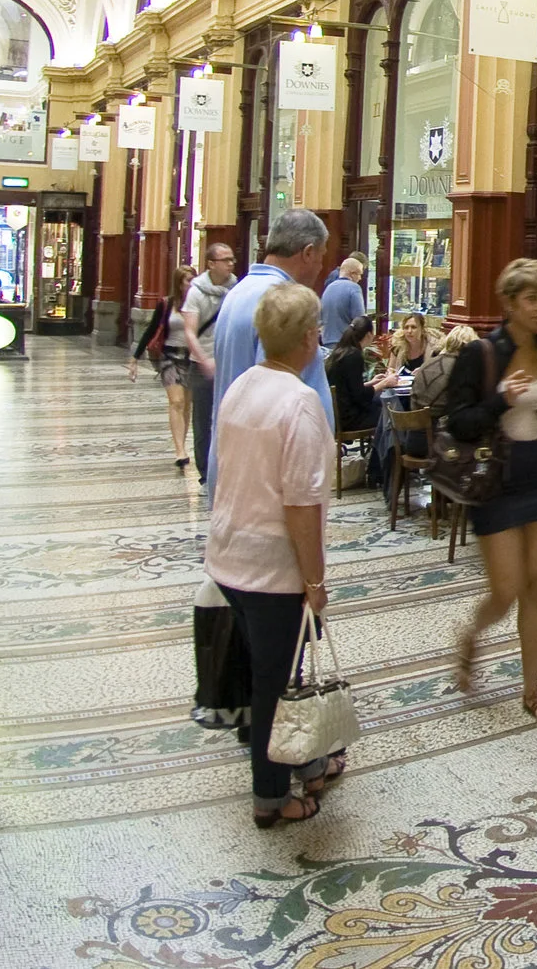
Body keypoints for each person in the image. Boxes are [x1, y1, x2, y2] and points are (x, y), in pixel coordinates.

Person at [205, 279, 344, 828]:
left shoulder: (241, 385)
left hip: (229, 555)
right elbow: (301, 504)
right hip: (271, 569)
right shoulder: (301, 403)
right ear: (311, 338)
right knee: (275, 683)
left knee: (277, 669)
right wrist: (314, 579)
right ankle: (271, 797)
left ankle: (308, 759)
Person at [443, 260, 537, 725]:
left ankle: (533, 690)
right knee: (506, 589)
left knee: (536, 586)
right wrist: (501, 400)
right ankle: (471, 635)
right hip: (494, 482)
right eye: (532, 299)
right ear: (511, 302)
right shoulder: (482, 353)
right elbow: (456, 421)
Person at [209, 210, 336, 478]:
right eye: (322, 256)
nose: (321, 267)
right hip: (268, 475)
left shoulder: (239, 292)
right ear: (308, 252)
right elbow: (274, 399)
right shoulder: (284, 304)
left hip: (234, 463)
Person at [129, 264, 198, 468]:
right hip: (169, 357)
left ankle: (182, 443)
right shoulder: (167, 304)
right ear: (178, 283)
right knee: (176, 402)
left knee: (186, 405)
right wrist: (135, 358)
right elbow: (151, 330)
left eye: (194, 280)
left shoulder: (198, 305)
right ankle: (180, 451)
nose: (191, 284)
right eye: (188, 280)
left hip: (191, 358)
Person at [181, 245, 235, 483]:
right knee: (203, 420)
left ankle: (227, 468)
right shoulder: (196, 292)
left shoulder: (236, 288)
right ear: (211, 263)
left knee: (230, 417)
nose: (230, 264)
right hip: (202, 365)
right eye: (225, 260)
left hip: (229, 361)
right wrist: (204, 360)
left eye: (232, 260)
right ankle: (205, 472)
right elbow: (190, 332)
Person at [325, 318, 383, 435]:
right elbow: (359, 396)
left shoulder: (340, 352)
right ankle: (384, 452)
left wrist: (372, 382)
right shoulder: (354, 356)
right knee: (388, 413)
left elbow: (348, 387)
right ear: (368, 334)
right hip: (349, 418)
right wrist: (384, 383)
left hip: (337, 414)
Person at [320, 256, 369, 346]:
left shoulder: (329, 288)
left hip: (327, 341)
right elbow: (360, 320)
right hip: (345, 343)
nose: (360, 278)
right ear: (352, 274)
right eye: (359, 274)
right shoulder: (354, 288)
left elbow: (321, 317)